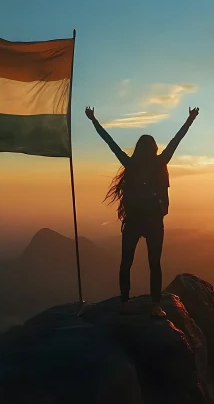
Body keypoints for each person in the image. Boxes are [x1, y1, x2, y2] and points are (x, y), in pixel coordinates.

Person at [86, 106, 199, 317]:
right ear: (154, 148)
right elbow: (176, 140)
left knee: (126, 262)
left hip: (133, 220)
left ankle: (124, 300)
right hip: (154, 221)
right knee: (154, 263)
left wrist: (94, 120)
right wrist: (189, 119)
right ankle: (155, 302)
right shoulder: (159, 163)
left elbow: (110, 142)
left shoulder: (131, 163)